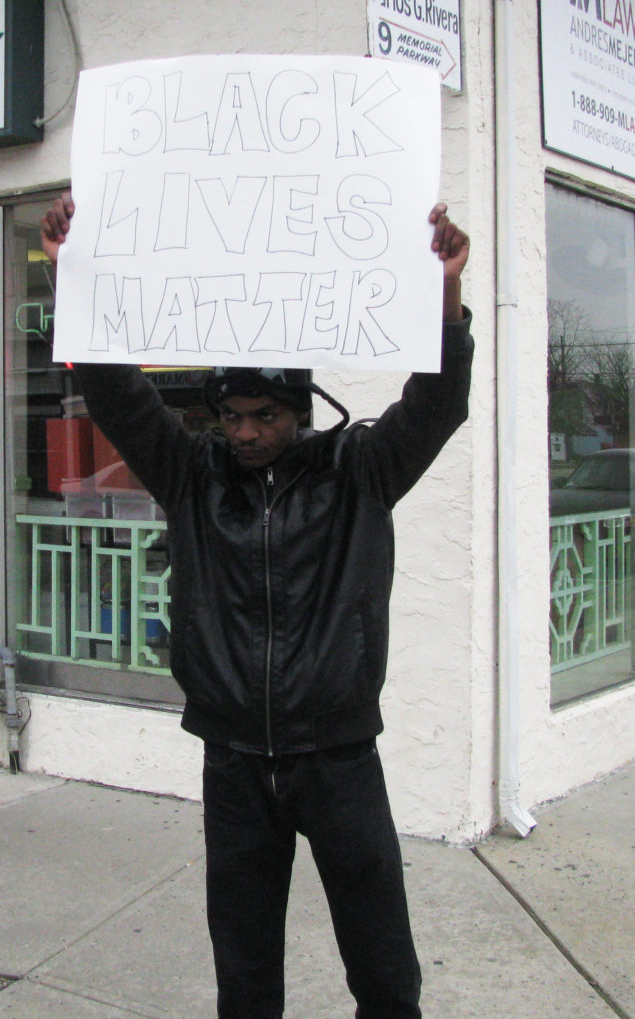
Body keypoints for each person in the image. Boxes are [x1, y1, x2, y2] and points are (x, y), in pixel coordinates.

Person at [41, 191, 473, 1019]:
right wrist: (72, 277)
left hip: (337, 760)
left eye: (264, 416)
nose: (243, 433)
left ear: (300, 414)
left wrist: (446, 293)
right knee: (243, 978)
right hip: (234, 762)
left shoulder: (360, 473)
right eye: (232, 417)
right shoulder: (191, 476)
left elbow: (436, 404)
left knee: (383, 971)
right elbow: (117, 393)